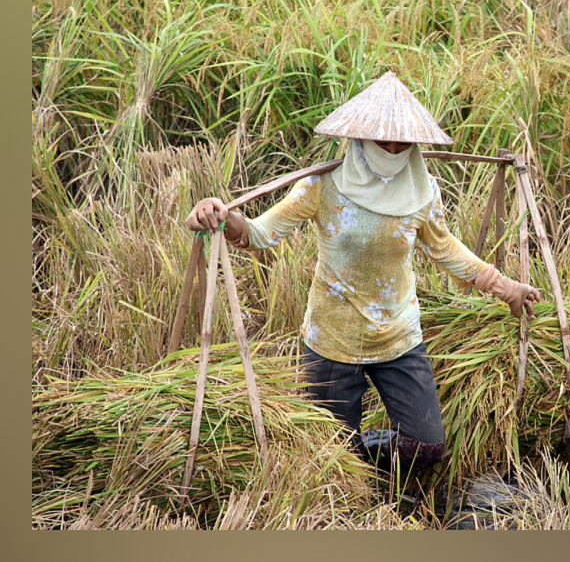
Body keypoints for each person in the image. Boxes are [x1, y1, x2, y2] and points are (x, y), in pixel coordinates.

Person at [184, 71, 542, 475]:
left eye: (402, 143)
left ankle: (370, 465)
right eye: (382, 142)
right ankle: (356, 479)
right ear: (359, 138)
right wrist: (222, 216)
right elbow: (260, 233)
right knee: (333, 460)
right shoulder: (322, 185)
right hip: (333, 339)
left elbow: (445, 249)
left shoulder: (421, 191)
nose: (392, 150)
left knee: (427, 446)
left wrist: (504, 286)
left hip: (398, 336)